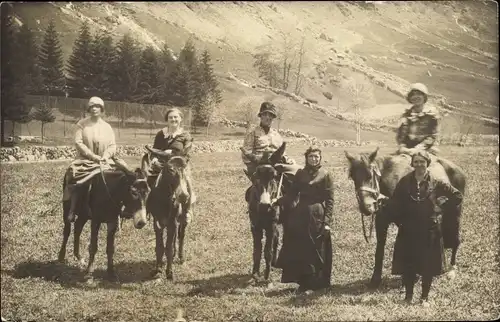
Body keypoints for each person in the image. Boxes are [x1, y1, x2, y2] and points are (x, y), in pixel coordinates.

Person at [390, 151, 463, 306]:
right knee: (409, 264)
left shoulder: (436, 181)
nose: (419, 165)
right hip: (408, 231)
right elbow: (395, 203)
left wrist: (442, 206)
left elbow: (457, 196)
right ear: (412, 164)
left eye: (422, 162)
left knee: (427, 265)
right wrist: (401, 221)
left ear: (427, 163)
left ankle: (424, 298)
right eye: (416, 162)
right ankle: (408, 297)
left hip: (430, 230)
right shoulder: (405, 181)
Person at [273, 147, 334, 294]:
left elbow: (330, 201)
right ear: (306, 158)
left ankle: (318, 284)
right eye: (311, 156)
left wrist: (327, 223)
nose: (314, 159)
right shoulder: (300, 173)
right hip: (300, 214)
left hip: (317, 214)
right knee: (301, 248)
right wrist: (277, 201)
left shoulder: (326, 174)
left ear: (320, 158)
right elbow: (292, 194)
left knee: (317, 248)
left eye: (317, 157)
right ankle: (304, 283)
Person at [63, 96, 118, 222]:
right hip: (85, 161)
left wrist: (105, 156)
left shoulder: (107, 127)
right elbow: (78, 142)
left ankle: (116, 210)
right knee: (76, 178)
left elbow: (112, 145)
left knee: (121, 177)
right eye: (92, 106)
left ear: (101, 109)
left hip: (105, 161)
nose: (95, 109)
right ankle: (73, 208)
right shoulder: (82, 124)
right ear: (89, 108)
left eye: (97, 106)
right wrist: (93, 157)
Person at [241, 101, 300, 198]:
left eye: (271, 115)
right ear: (261, 116)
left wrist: (288, 160)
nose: (268, 117)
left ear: (273, 118)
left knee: (299, 171)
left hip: (277, 164)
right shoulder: (253, 132)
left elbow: (282, 152)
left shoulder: (276, 134)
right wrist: (257, 164)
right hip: (260, 165)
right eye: (265, 114)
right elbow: (246, 155)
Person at [146, 108, 195, 223]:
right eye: (170, 117)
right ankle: (148, 208)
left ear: (180, 119)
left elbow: (187, 154)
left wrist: (175, 157)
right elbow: (154, 151)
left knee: (187, 182)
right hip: (161, 166)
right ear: (167, 120)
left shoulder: (185, 135)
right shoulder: (161, 134)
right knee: (148, 181)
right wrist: (154, 161)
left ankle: (187, 210)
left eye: (175, 117)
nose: (173, 119)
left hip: (179, 167)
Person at [396, 83, 440, 156]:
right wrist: (403, 147)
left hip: (427, 150)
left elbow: (432, 136)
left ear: (424, 97)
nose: (415, 97)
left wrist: (418, 149)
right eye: (413, 95)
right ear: (410, 98)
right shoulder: (406, 115)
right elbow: (401, 135)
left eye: (419, 94)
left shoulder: (432, 115)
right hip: (407, 150)